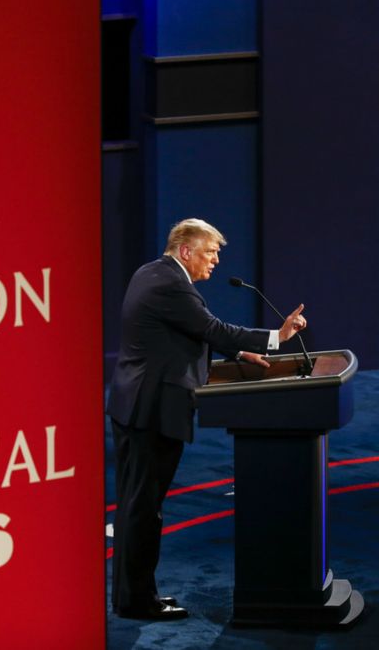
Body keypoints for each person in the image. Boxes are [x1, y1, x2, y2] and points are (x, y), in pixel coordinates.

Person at [106, 218, 307, 621]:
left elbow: (182, 336)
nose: (215, 261)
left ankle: (132, 596)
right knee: (144, 508)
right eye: (210, 252)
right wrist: (277, 337)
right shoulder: (172, 284)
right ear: (186, 251)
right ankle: (137, 601)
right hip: (153, 409)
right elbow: (212, 328)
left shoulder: (151, 273)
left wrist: (238, 355)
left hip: (135, 404)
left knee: (136, 505)